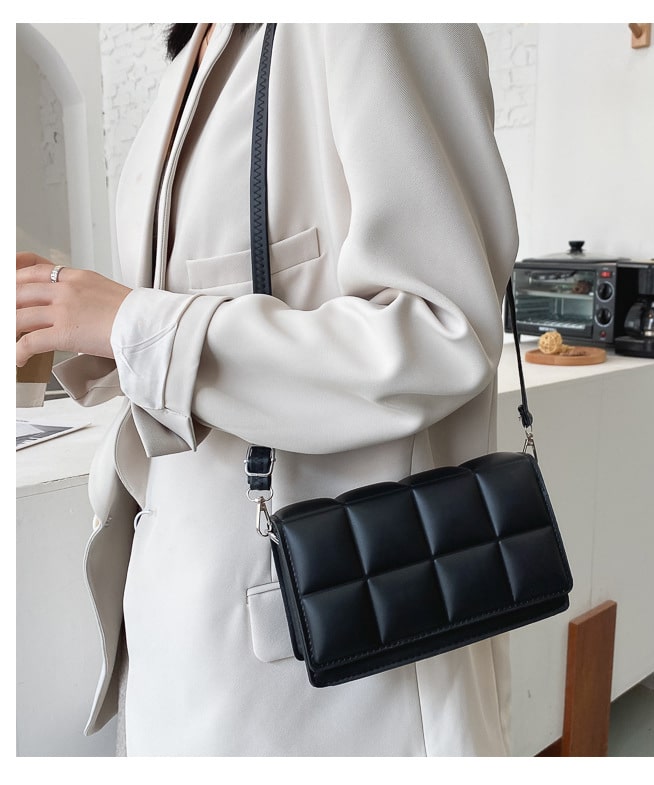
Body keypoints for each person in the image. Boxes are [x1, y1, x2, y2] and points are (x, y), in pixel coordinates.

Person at [16, 23, 519, 756]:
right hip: (179, 619)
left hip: (329, 661)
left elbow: (445, 331)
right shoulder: (194, 54)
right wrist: (89, 327)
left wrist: (138, 325)